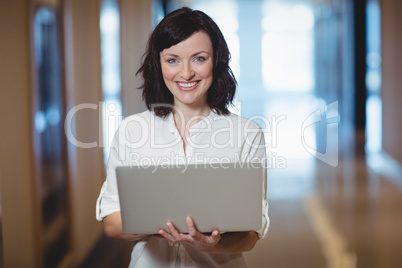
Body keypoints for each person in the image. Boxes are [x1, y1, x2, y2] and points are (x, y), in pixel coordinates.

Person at [96, 7, 269, 267]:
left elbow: (251, 236)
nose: (186, 73)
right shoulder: (131, 131)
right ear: (159, 64)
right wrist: (161, 223)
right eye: (173, 60)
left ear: (217, 61)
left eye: (199, 58)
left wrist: (213, 243)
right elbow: (111, 221)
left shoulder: (247, 134)